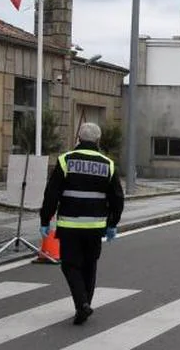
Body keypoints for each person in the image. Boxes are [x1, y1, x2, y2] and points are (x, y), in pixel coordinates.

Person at [40, 122, 125, 325]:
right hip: (95, 227)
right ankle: (85, 303)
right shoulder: (108, 164)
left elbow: (52, 194)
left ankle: (82, 304)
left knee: (70, 265)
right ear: (98, 140)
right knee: (90, 265)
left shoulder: (65, 160)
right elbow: (117, 198)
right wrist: (113, 223)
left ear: (78, 137)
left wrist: (45, 219)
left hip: (70, 225)